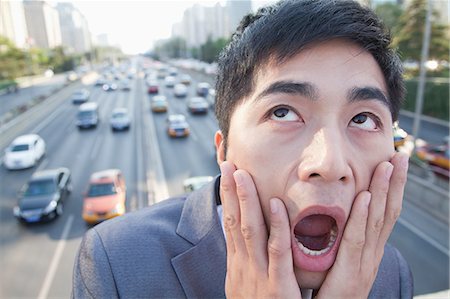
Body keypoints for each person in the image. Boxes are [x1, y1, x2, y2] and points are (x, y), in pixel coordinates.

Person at [72, 0, 413, 298]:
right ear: (224, 151)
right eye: (283, 113)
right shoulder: (117, 264)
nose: (329, 162)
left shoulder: (393, 275)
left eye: (364, 119)